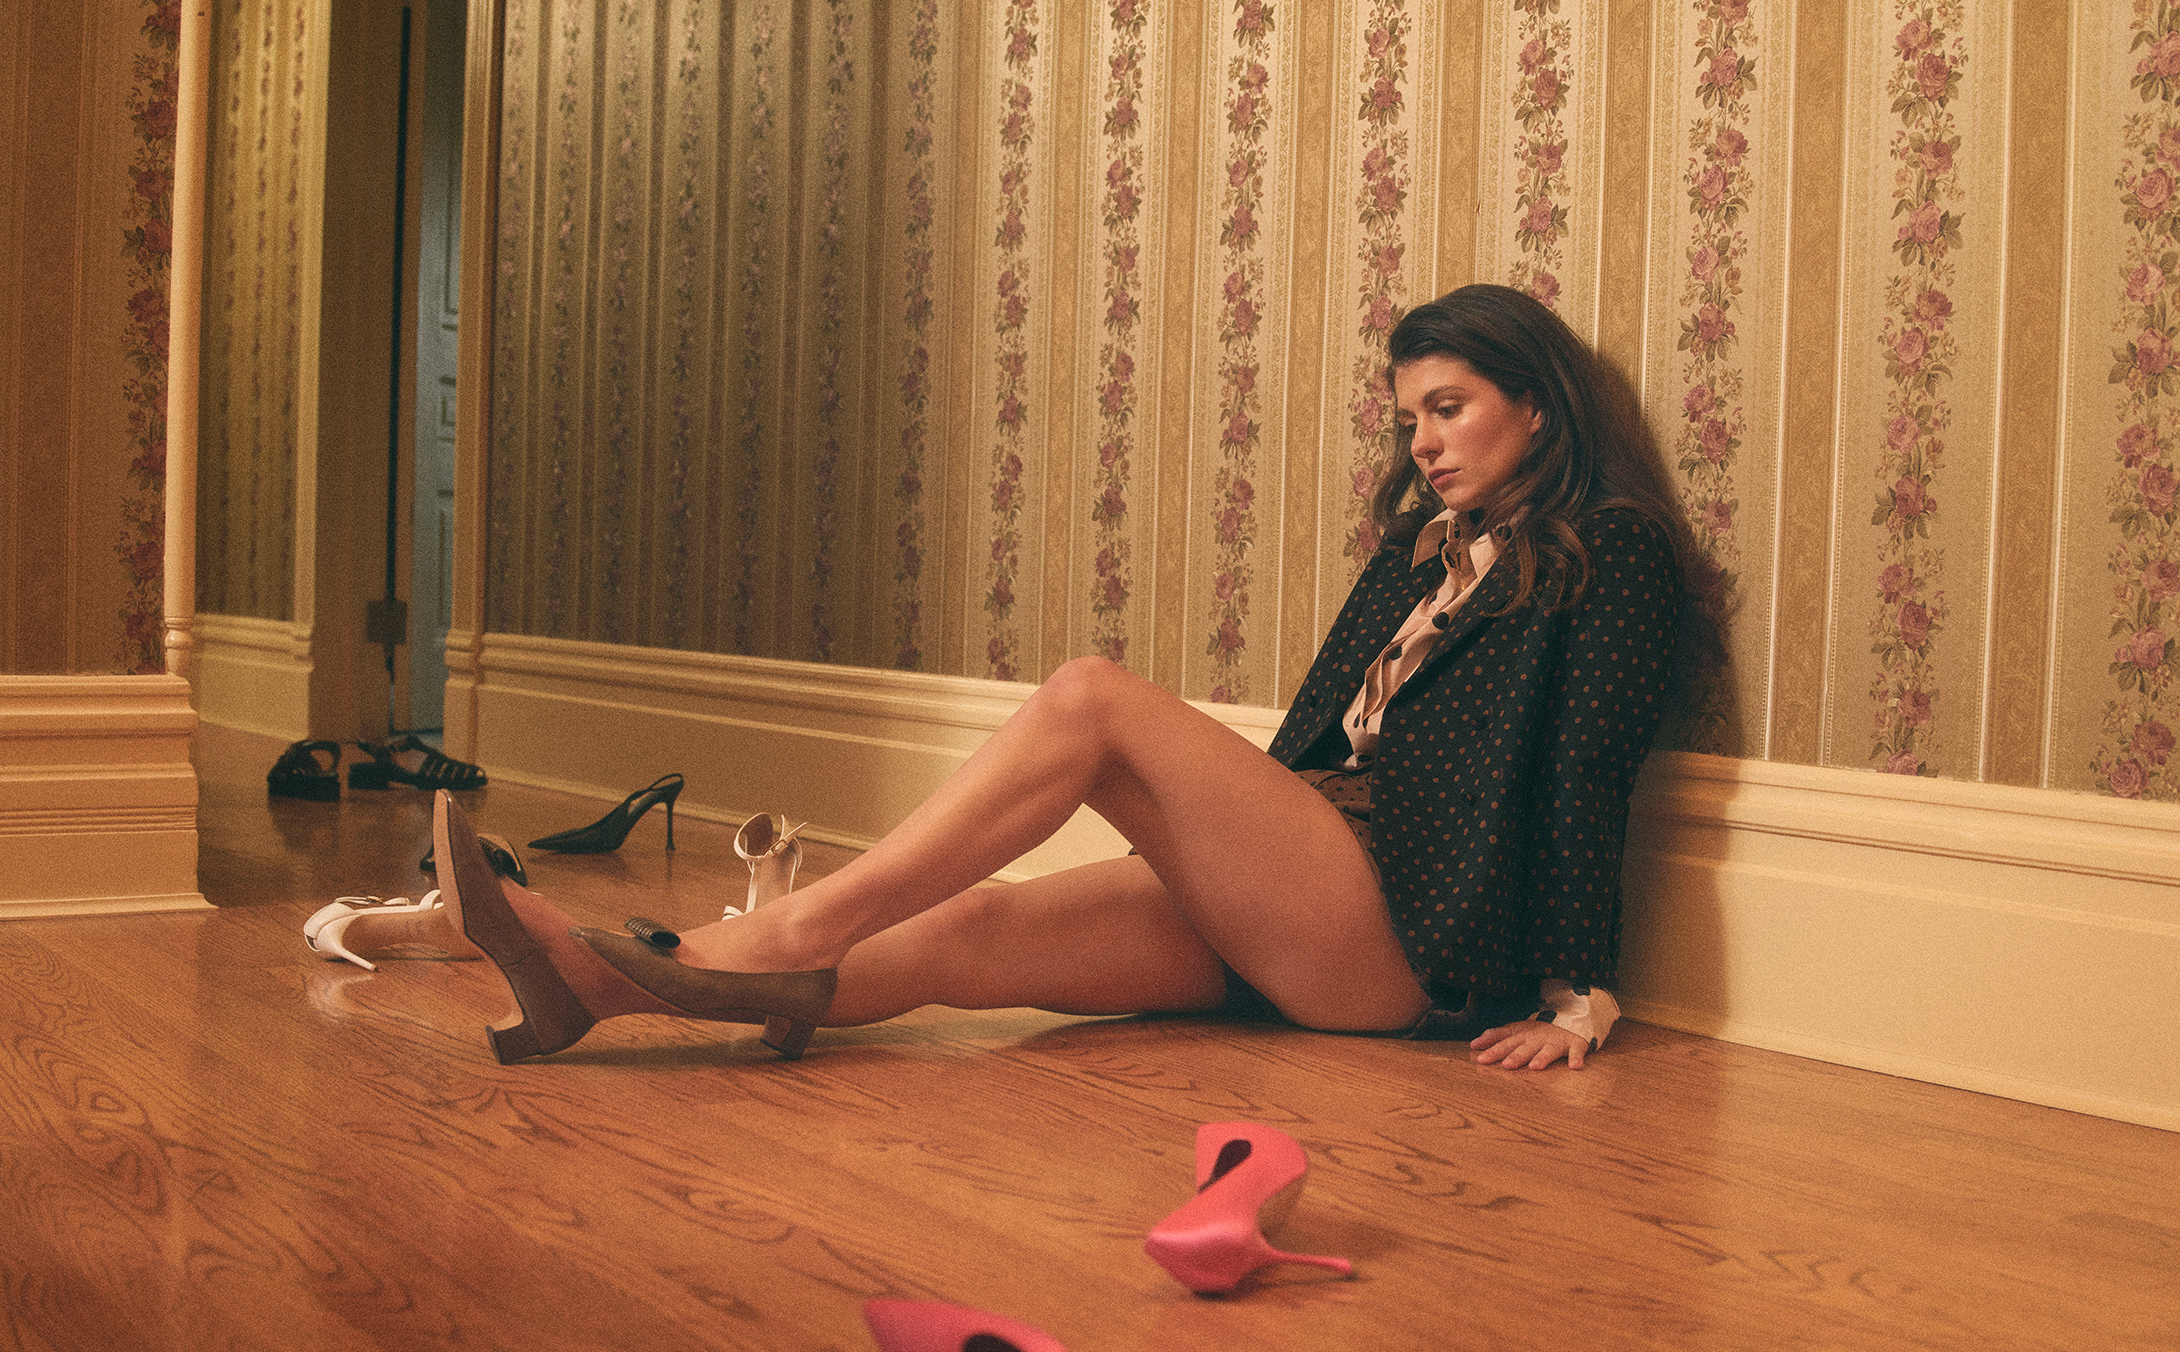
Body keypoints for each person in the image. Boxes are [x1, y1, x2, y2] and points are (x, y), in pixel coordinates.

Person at [423, 284, 1717, 1075]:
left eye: (1449, 407)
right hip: (1310, 876)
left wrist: (1577, 993)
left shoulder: (1617, 552)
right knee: (968, 930)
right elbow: (1318, 752)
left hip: (1407, 924)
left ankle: (803, 923)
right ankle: (586, 989)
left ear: (1538, 406)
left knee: (1090, 695)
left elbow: (1584, 774)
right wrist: (1223, 865)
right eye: (1410, 420)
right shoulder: (1418, 550)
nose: (1424, 442)